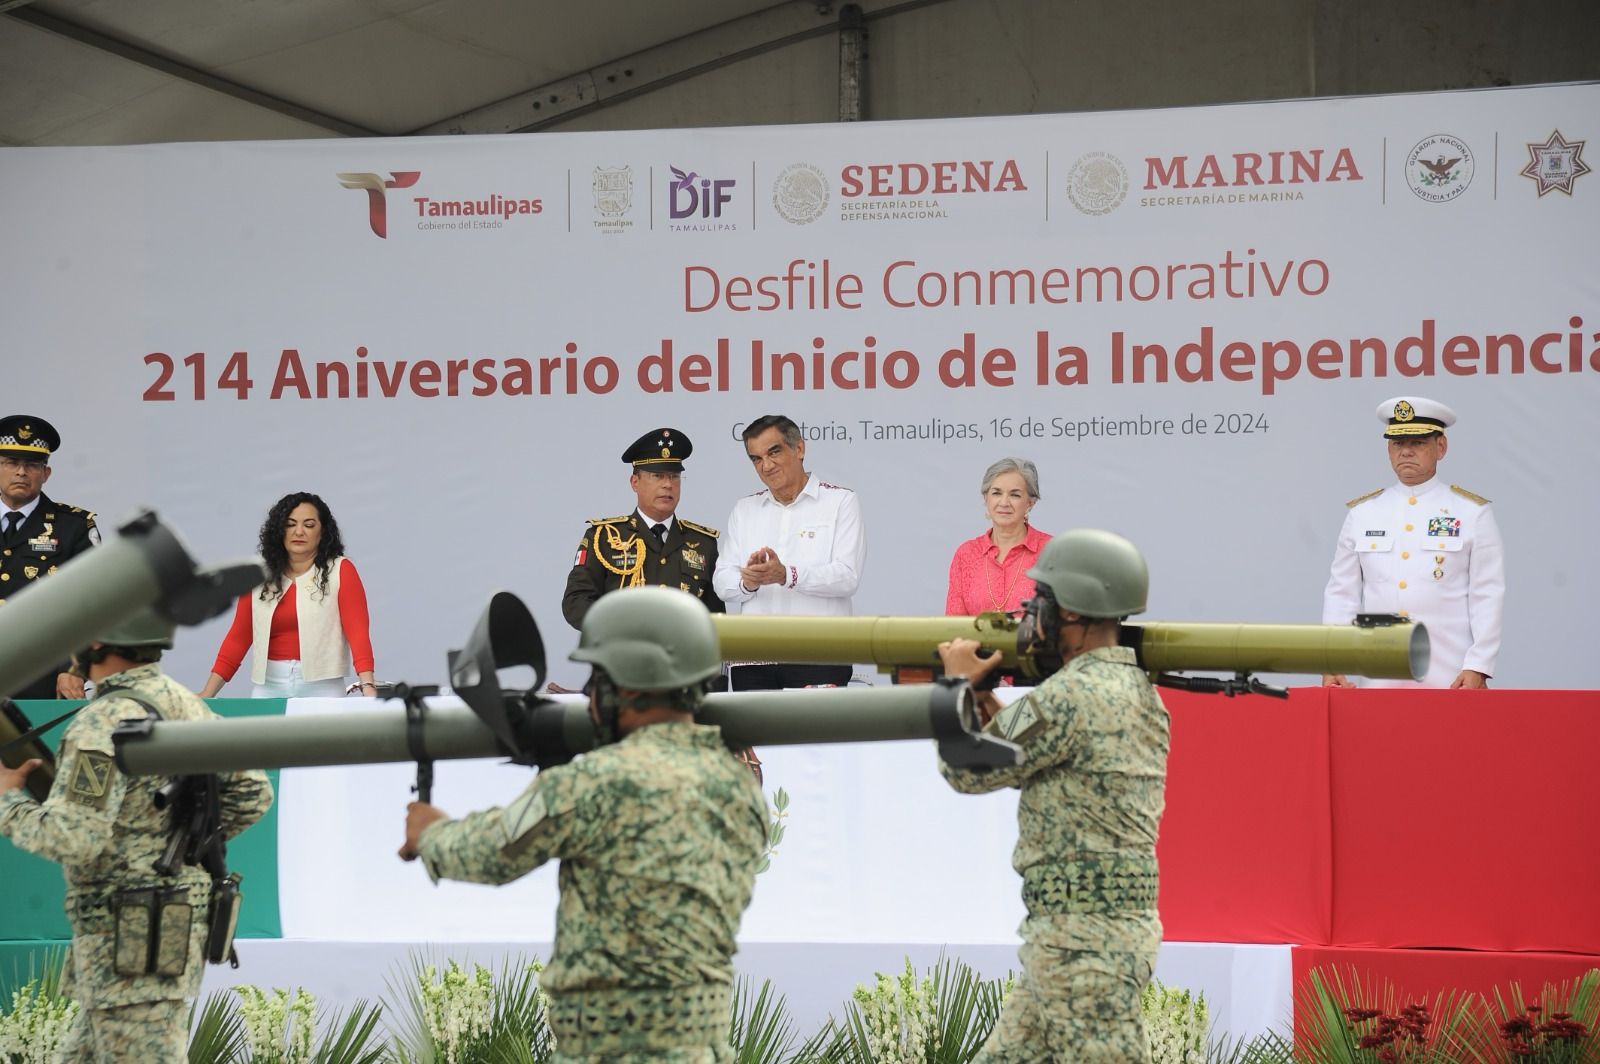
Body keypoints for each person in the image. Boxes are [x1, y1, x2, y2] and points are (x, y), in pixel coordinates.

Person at [399, 586, 767, 1062]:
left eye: (596, 678)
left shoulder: (594, 783)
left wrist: (431, 832)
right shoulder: (741, 788)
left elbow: (492, 852)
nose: (589, 695)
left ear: (626, 687)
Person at [936, 529, 1168, 1063]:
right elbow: (1034, 752)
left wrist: (954, 687)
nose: (1031, 614)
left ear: (1072, 612)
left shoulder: (1069, 697)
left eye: (1041, 599)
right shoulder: (1137, 690)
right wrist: (981, 696)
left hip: (1081, 950)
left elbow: (968, 768)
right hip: (1087, 937)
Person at [0, 611, 273, 1062]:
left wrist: (8, 801)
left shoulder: (102, 722)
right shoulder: (185, 704)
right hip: (151, 939)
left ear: (95, 643)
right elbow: (252, 792)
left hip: (128, 947)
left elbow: (73, 839)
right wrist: (175, 844)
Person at [1322, 396, 1504, 689]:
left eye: (1418, 442)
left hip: (1449, 676)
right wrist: (1333, 662)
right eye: (1398, 443)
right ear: (1388, 450)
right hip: (1379, 676)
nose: (1406, 451)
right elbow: (1342, 595)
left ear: (1440, 447)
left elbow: (1486, 594)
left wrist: (1478, 666)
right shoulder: (1363, 514)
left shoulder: (1471, 512)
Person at [711, 414, 866, 688]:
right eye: (756, 459)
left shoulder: (840, 501)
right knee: (753, 722)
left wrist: (787, 575)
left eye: (774, 452)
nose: (766, 466)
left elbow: (847, 577)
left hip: (819, 656)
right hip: (753, 660)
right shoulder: (745, 509)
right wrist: (749, 581)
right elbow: (722, 582)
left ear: (799, 448)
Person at [200, 492, 376, 698]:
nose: (299, 531)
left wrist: (368, 686)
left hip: (323, 687)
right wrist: (208, 693)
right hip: (269, 686)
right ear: (279, 531)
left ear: (323, 531)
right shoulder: (258, 575)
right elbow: (238, 638)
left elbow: (358, 632)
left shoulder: (341, 570)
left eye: (309, 525)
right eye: (290, 524)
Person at [561, 427, 724, 631]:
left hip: (683, 649)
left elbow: (716, 617)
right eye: (657, 476)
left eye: (674, 476)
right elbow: (576, 602)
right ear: (635, 482)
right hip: (623, 648)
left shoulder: (703, 543)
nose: (668, 485)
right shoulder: (603, 538)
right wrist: (618, 629)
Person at [0, 414, 98, 700]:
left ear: (46, 473)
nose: (21, 472)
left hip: (44, 677)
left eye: (32, 465)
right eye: (11, 463)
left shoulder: (74, 527)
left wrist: (74, 667)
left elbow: (92, 603)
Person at [946, 458, 1052, 615]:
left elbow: (1066, 620)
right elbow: (953, 624)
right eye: (996, 493)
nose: (1004, 502)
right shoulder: (966, 554)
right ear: (986, 498)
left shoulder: (1052, 552)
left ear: (1030, 502)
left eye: (1015, 495)